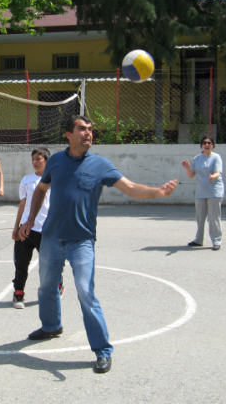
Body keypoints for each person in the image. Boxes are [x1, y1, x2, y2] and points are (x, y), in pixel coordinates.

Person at [19, 115, 177, 374]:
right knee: (46, 286)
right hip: (51, 237)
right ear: (68, 135)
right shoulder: (56, 161)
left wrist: (158, 191)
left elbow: (131, 187)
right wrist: (30, 220)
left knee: (85, 292)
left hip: (81, 242)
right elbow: (40, 189)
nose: (88, 134)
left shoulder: (101, 165)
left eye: (90, 130)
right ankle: (51, 326)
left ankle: (103, 350)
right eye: (82, 129)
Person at [10, 147, 64, 309]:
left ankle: (57, 285)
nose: (35, 162)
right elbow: (22, 203)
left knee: (50, 264)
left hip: (47, 230)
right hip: (26, 229)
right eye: (33, 159)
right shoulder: (27, 180)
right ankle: (18, 293)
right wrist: (16, 227)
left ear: (46, 161)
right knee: (21, 263)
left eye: (39, 159)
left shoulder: (55, 180)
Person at [181, 136, 224, 251]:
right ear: (201, 145)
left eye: (209, 143)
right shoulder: (197, 158)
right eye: (205, 143)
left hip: (214, 191)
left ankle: (216, 241)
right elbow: (191, 175)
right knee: (200, 217)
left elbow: (217, 173)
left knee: (214, 217)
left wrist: (213, 177)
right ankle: (199, 240)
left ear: (212, 145)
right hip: (201, 192)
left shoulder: (216, 157)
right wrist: (187, 168)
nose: (207, 145)